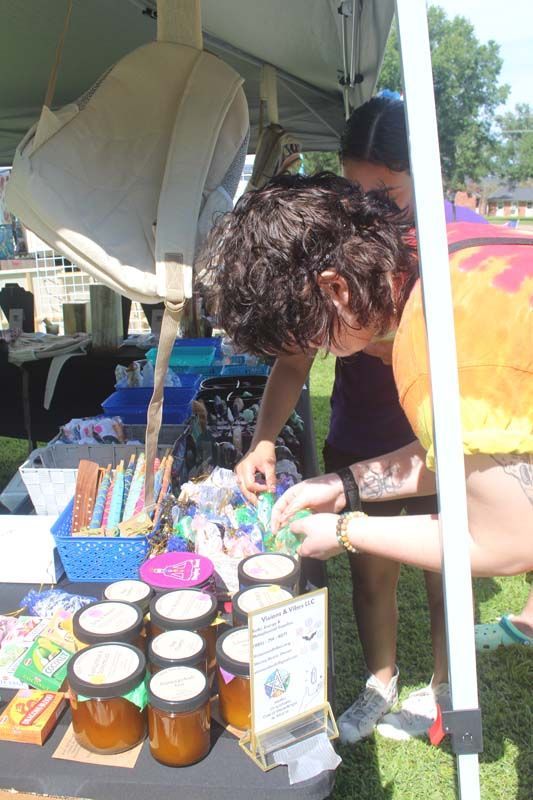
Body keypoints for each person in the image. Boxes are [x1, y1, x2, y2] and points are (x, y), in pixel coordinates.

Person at [205, 170, 533, 730]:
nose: (328, 355)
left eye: (317, 343)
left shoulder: (435, 342)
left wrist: (343, 532)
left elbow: (507, 542)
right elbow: (457, 460)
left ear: (336, 289)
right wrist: (343, 486)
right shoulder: (434, 253)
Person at [234, 96, 484, 744]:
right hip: (367, 434)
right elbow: (292, 360)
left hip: (449, 439)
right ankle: (380, 681)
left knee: (444, 575)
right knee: (368, 570)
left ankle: (445, 689)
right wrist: (269, 442)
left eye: (388, 191)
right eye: (358, 189)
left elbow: (506, 530)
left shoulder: (457, 258)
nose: (372, 209)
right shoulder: (337, 252)